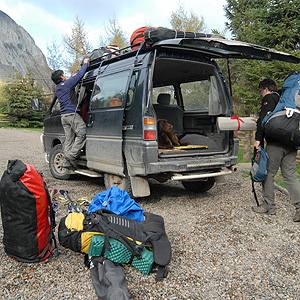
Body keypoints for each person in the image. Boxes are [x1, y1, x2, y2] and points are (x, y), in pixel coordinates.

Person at [252, 78, 300, 222]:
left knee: (268, 174)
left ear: (265, 89)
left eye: (261, 92)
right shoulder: (284, 99)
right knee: (290, 175)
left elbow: (263, 120)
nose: (262, 95)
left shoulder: (270, 98)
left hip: (276, 143)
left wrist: (258, 139)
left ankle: (268, 206)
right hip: (291, 141)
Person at [51, 58, 90, 169]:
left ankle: (66, 163)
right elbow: (80, 76)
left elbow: (70, 81)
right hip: (71, 115)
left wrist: (71, 78)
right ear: (62, 77)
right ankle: (71, 155)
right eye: (64, 75)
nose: (65, 76)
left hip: (63, 117)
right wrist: (85, 63)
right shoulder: (67, 84)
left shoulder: (57, 88)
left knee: (69, 139)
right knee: (82, 132)